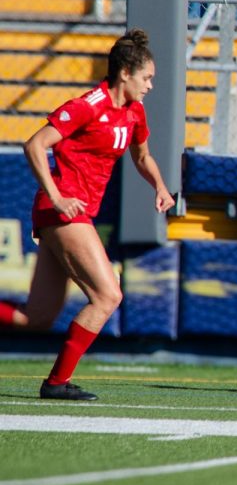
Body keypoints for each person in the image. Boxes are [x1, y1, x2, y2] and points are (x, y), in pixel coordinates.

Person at [0, 29, 175, 400]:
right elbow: (34, 144)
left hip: (71, 214)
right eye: (147, 77)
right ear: (125, 72)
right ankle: (57, 383)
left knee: (36, 317)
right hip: (63, 211)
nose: (150, 85)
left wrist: (159, 186)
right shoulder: (87, 105)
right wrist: (57, 196)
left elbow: (142, 157)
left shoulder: (133, 112)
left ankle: (55, 383)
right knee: (108, 296)